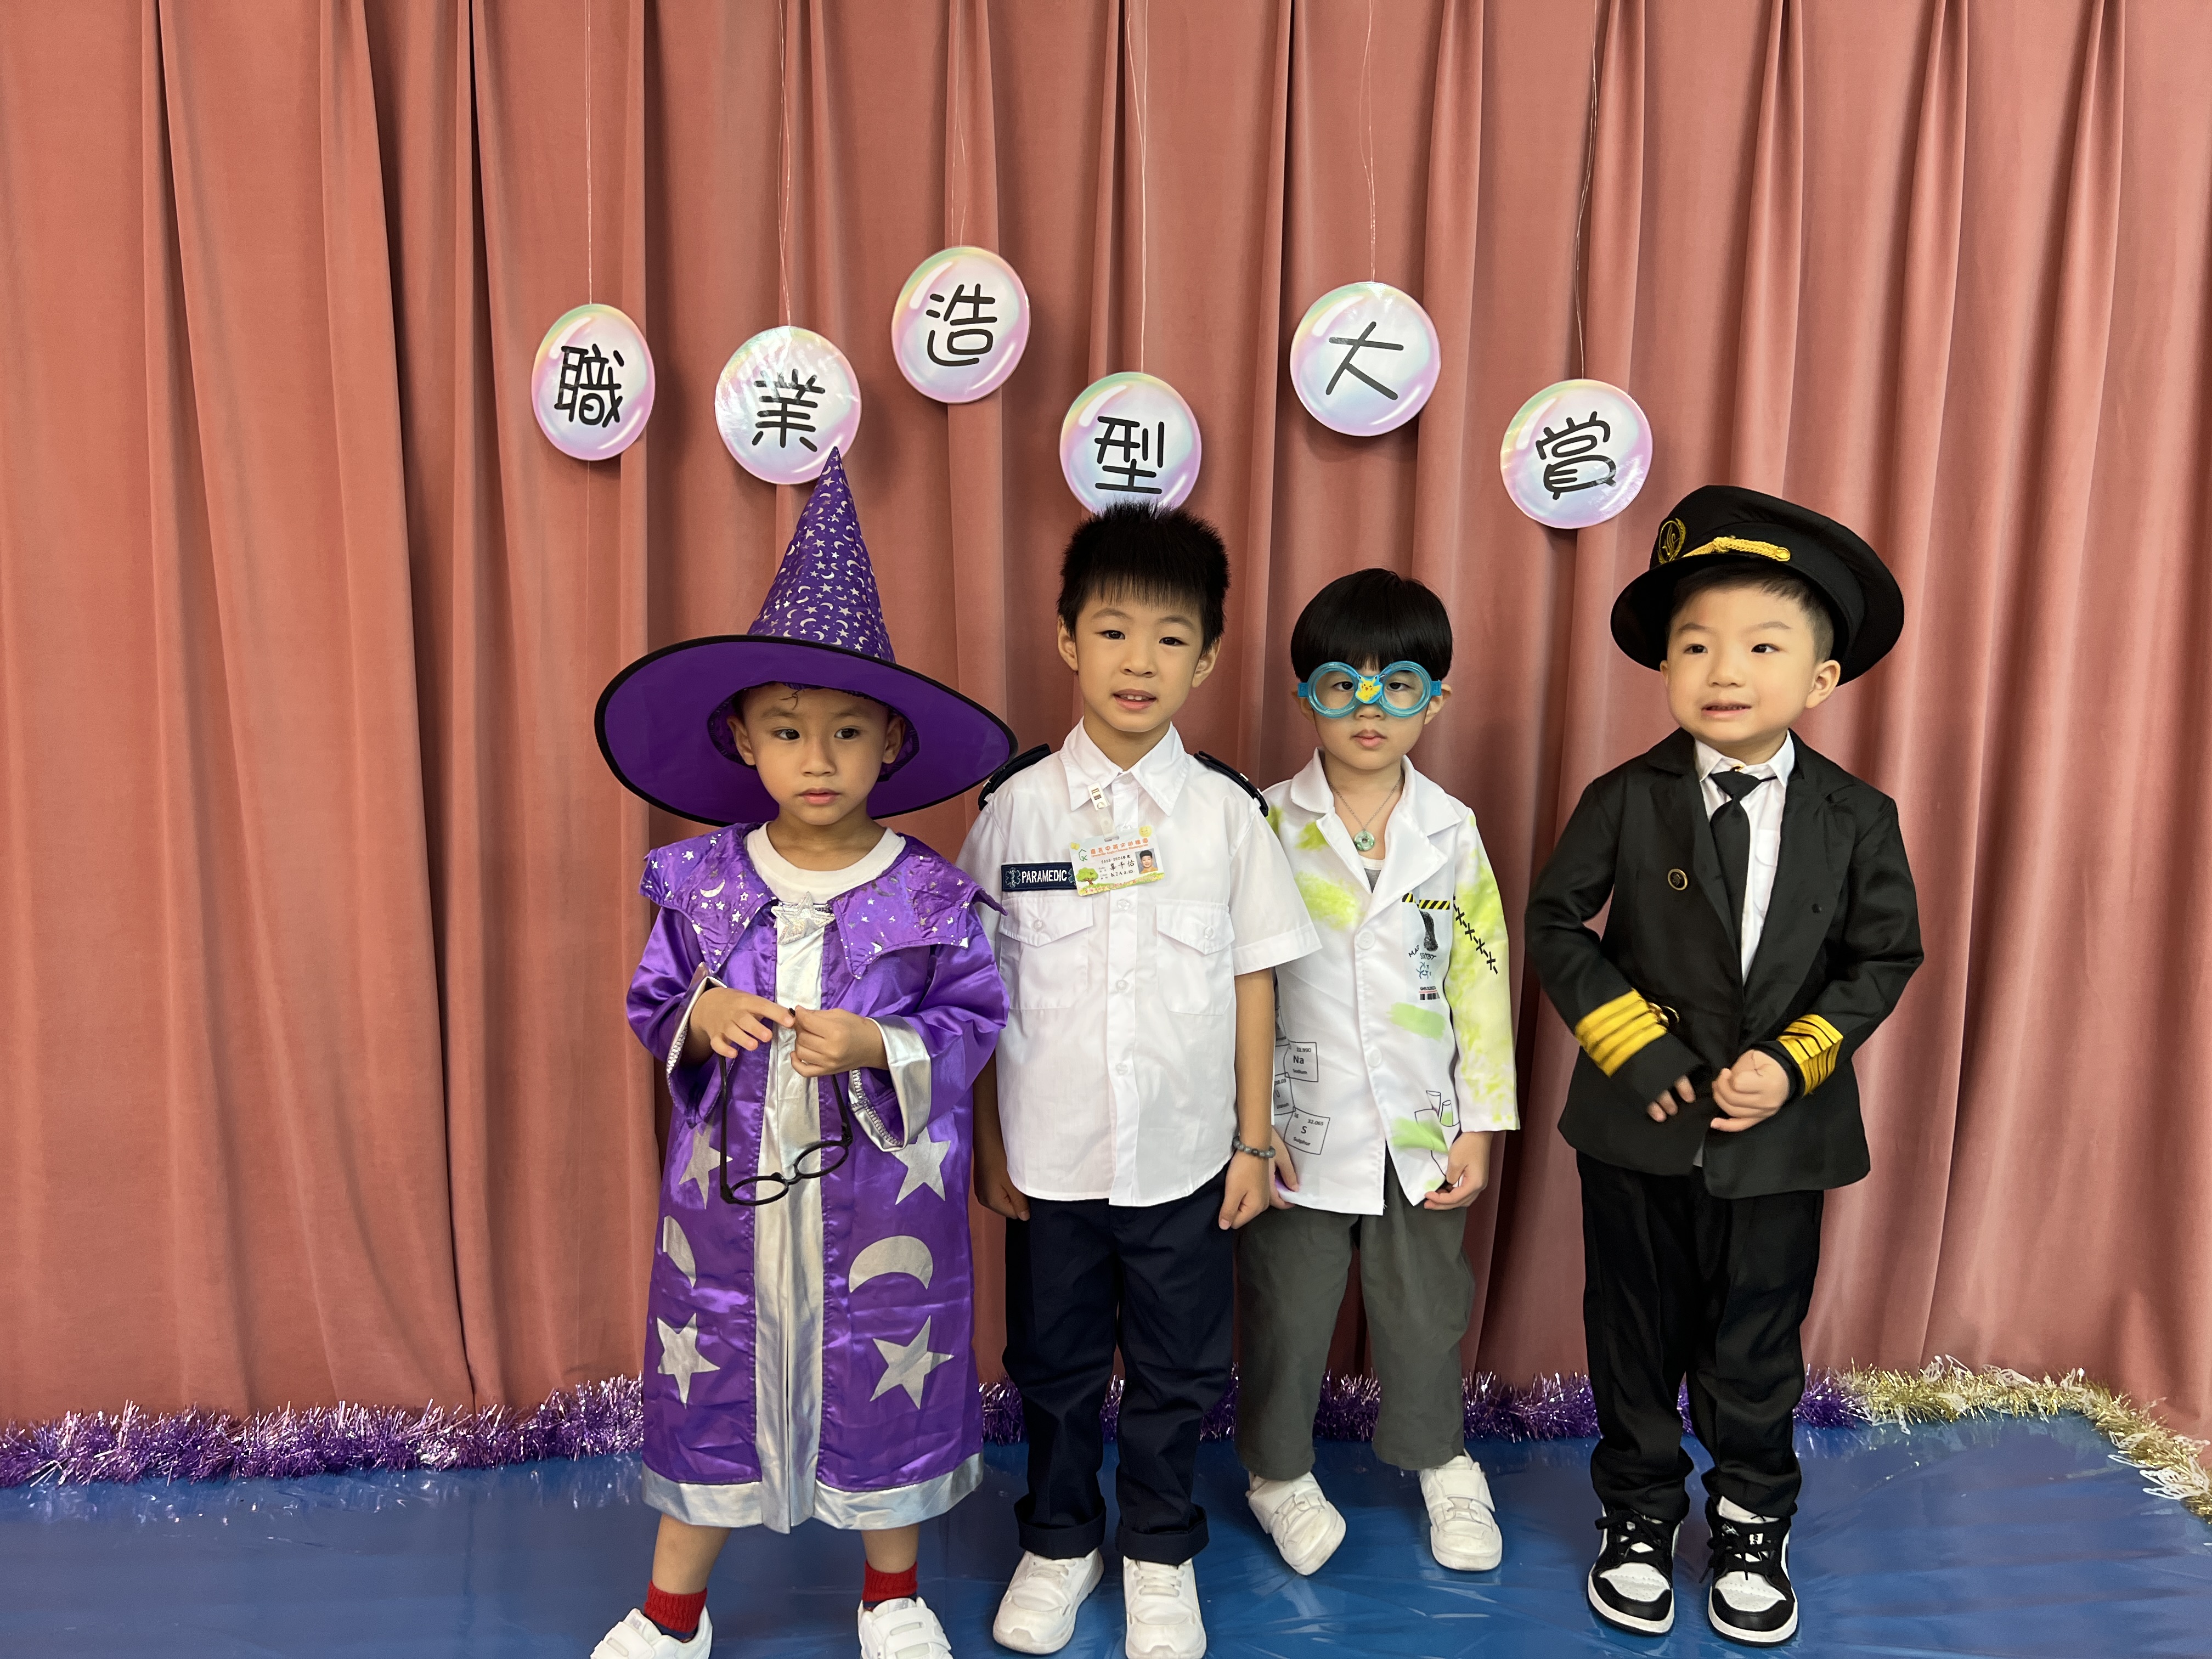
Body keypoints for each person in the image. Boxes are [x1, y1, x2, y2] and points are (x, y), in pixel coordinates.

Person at [590, 451, 1014, 1659]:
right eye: (787, 731)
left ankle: (893, 1596)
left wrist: (880, 1040)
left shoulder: (931, 895)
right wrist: (702, 1016)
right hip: (725, 1214)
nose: (816, 759)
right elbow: (654, 999)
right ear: (743, 740)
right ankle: (673, 1614)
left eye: (845, 733)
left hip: (884, 1205)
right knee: (712, 1381)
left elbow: (974, 1019)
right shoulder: (702, 881)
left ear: (891, 743)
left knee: (887, 1377)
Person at [1525, 487, 1923, 1645]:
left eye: (1762, 646)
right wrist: (1632, 1042)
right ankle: (1639, 1514)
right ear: (1663, 666)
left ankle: (1752, 1519)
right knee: (1633, 1333)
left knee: (1757, 1340)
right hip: (1637, 1130)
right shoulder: (1623, 798)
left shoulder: (1859, 815)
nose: (1724, 670)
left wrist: (1797, 1063)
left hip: (1780, 1139)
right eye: (1695, 645)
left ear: (1822, 678)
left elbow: (1886, 955)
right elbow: (1554, 924)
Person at [958, 504, 1318, 1659]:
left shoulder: (1228, 816)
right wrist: (990, 1146)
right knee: (1053, 1367)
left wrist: (1253, 1142)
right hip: (1050, 1160)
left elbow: (1257, 982)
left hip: (1186, 1163)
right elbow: (976, 992)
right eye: (1113, 631)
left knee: (1178, 1368)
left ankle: (1160, 1549)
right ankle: (1060, 1542)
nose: (1139, 662)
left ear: (1206, 660)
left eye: (1171, 639)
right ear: (1068, 639)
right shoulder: (1013, 811)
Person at [1236, 569, 1519, 1579]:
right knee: (1287, 1310)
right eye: (1340, 684)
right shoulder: (1263, 823)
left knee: (1425, 1309)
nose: (1370, 708)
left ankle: (1442, 1460)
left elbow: (1482, 977)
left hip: (1421, 1127)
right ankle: (1275, 1472)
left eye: (1398, 685)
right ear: (1305, 695)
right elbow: (1236, 984)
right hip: (1294, 1129)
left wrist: (1481, 1124)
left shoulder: (1454, 831)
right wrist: (1248, 1127)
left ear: (1434, 700)